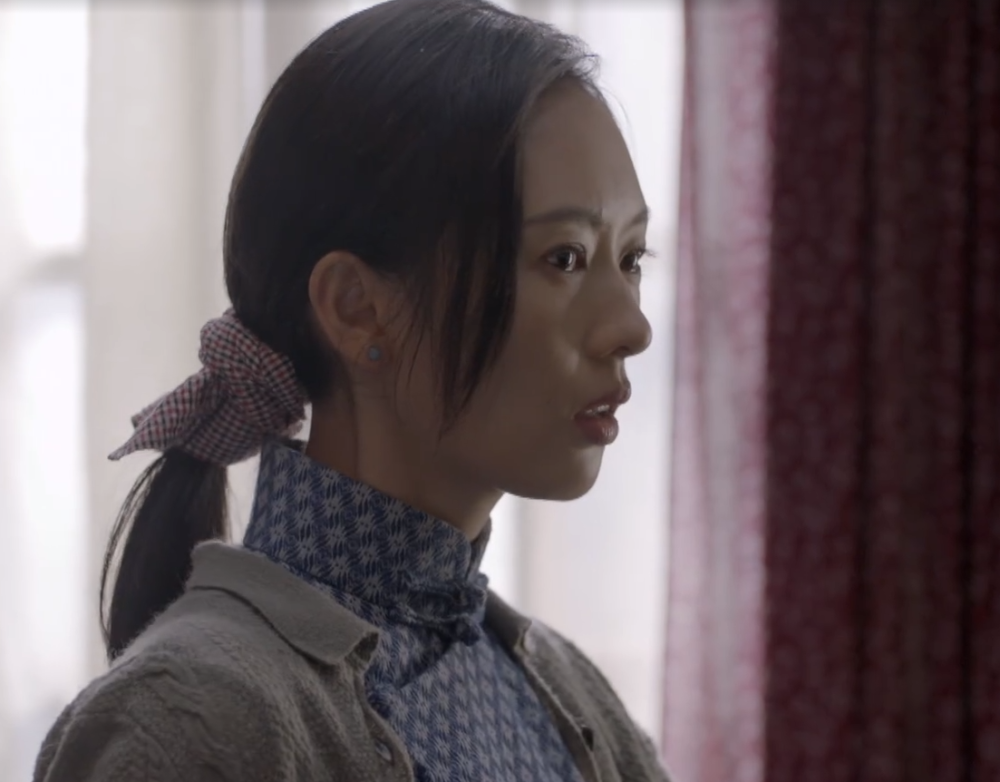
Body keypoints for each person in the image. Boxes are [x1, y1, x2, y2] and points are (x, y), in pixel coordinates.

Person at [33, 0, 669, 780]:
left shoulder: (570, 698)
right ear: (355, 307)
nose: (631, 327)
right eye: (564, 258)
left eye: (631, 259)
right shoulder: (183, 723)